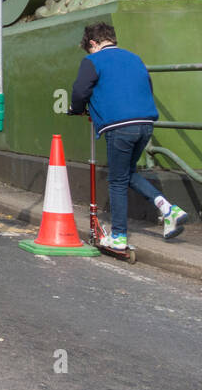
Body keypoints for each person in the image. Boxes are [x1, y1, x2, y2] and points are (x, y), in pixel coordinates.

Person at [68, 21, 188, 252]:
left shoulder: (92, 60)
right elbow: (147, 86)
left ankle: (119, 236)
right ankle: (168, 209)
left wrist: (76, 108)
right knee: (128, 174)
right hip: (145, 124)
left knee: (117, 181)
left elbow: (80, 91)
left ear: (93, 43)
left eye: (89, 47)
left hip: (119, 126)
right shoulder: (135, 58)